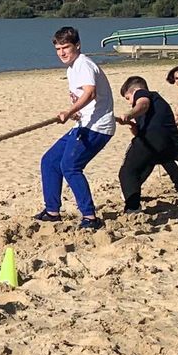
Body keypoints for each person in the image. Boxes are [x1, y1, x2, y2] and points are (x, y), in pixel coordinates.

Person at [34, 26, 116, 228]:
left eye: (66, 47)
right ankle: (52, 211)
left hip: (98, 127)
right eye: (58, 49)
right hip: (84, 123)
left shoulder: (83, 64)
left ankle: (90, 217)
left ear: (77, 45)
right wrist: (76, 113)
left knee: (70, 166)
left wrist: (69, 110)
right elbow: (86, 99)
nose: (62, 52)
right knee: (49, 161)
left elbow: (90, 92)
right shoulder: (72, 68)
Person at [114, 75, 178, 212]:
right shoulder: (157, 104)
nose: (130, 102)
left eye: (128, 98)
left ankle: (133, 206)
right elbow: (140, 131)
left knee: (127, 172)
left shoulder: (143, 94)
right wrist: (131, 124)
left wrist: (130, 113)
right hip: (172, 145)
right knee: (155, 159)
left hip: (153, 142)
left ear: (134, 91)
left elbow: (143, 104)